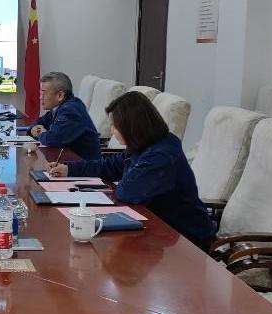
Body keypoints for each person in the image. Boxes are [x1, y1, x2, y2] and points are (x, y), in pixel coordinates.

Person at [48, 91, 216, 249]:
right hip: (156, 227)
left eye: (115, 126)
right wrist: (69, 169)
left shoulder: (161, 154)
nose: (112, 131)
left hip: (185, 238)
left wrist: (122, 178)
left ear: (131, 126)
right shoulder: (145, 143)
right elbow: (111, 166)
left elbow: (127, 192)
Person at [29, 72, 101, 160]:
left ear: (60, 95)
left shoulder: (71, 110)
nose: (40, 97)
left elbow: (54, 139)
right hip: (69, 160)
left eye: (44, 93)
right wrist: (33, 128)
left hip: (84, 165)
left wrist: (40, 133)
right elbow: (40, 121)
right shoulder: (60, 107)